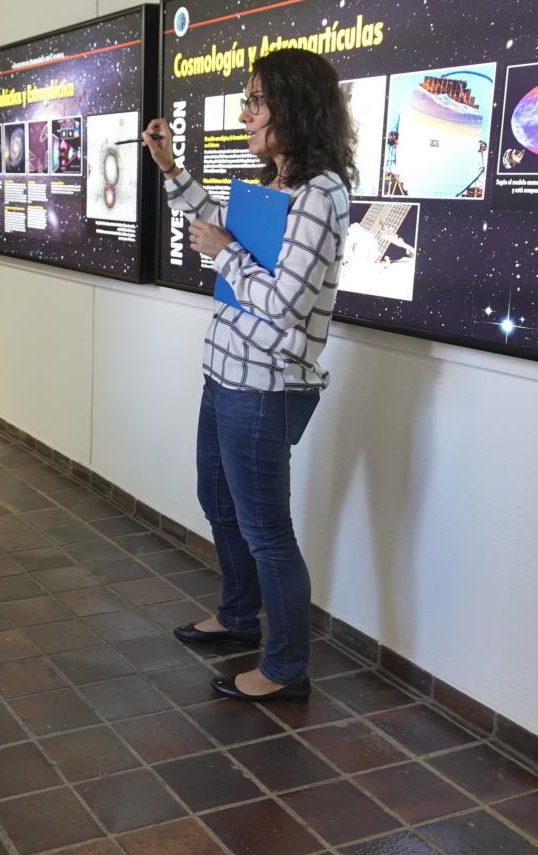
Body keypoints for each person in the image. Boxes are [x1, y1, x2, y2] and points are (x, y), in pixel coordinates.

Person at [142, 48, 355, 702]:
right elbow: (218, 226)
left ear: (292, 106)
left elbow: (288, 302)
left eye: (256, 101)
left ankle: (287, 667)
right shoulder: (278, 187)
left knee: (266, 530)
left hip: (266, 387)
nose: (246, 113)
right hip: (226, 373)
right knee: (219, 501)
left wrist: (228, 255)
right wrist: (173, 169)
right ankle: (238, 615)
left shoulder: (321, 195)